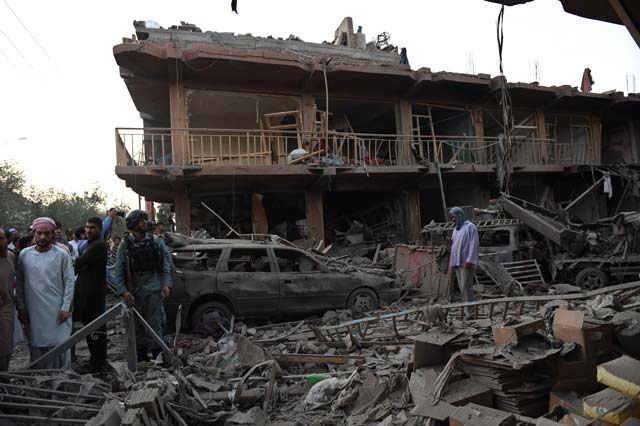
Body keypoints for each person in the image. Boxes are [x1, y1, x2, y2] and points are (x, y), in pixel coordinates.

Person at [112, 210, 172, 362]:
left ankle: (158, 357)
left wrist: (166, 285)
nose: (145, 223)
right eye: (141, 221)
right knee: (136, 328)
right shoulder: (124, 246)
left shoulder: (156, 242)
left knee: (155, 325)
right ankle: (142, 359)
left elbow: (166, 266)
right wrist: (124, 292)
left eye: (145, 220)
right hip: (134, 293)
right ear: (133, 224)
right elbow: (118, 272)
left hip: (154, 290)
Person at [16, 217, 75, 369]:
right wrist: (21, 307)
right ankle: (41, 384)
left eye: (46, 233)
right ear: (33, 234)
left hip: (57, 310)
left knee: (60, 345)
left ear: (53, 234)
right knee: (36, 346)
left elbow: (69, 282)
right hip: (33, 311)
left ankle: (62, 383)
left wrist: (66, 307)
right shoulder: (24, 254)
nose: (42, 237)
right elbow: (20, 283)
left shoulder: (61, 254)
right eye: (39, 233)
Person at [72, 217, 109, 372]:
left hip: (94, 295)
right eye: (87, 227)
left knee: (96, 329)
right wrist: (81, 264)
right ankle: (96, 361)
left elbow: (78, 263)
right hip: (85, 292)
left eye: (92, 227)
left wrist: (80, 263)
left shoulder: (100, 245)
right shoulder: (88, 245)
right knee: (89, 328)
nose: (88, 230)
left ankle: (98, 362)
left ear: (100, 229)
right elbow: (80, 263)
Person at [449, 207, 479, 318]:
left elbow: (473, 245)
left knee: (466, 287)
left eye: (454, 217)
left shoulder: (470, 227)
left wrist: (470, 260)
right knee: (462, 288)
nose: (452, 219)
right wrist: (452, 260)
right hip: (457, 262)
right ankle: (468, 311)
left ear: (460, 215)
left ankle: (471, 313)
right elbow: (454, 246)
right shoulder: (455, 230)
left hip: (466, 262)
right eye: (451, 217)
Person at [0, 228, 16, 371]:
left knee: (8, 348)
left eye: (0, 238)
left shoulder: (11, 257)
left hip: (9, 309)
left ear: (7, 240)